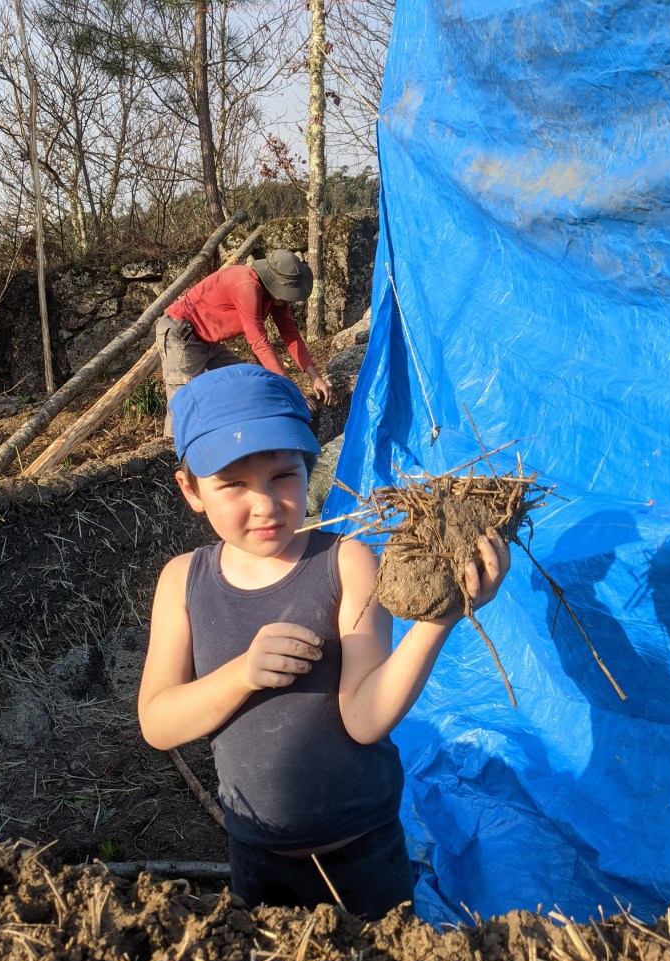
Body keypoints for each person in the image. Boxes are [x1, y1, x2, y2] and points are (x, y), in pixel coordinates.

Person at [137, 364, 510, 920]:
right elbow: (157, 722)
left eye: (283, 476)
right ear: (191, 489)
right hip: (256, 855)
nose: (265, 504)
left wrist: (443, 619)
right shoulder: (182, 582)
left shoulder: (347, 561)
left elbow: (364, 718)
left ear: (307, 469)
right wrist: (241, 673)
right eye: (234, 484)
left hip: (365, 854)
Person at [156, 249, 334, 436]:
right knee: (185, 401)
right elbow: (258, 342)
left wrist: (314, 376)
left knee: (246, 382)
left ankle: (240, 436)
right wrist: (291, 389)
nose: (285, 297)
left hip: (207, 340)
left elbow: (290, 333)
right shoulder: (247, 286)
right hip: (181, 334)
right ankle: (173, 449)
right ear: (272, 280)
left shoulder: (276, 297)